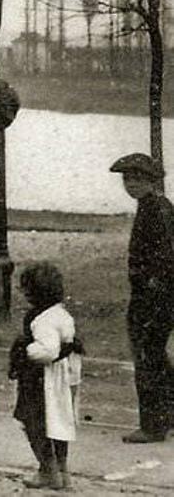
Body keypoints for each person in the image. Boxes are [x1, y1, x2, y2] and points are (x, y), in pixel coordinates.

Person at [111, 152, 174, 443]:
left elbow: (163, 258)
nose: (131, 184)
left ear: (151, 181)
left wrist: (151, 289)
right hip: (157, 295)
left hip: (153, 297)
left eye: (138, 179)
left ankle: (152, 425)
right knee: (157, 357)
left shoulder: (154, 211)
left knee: (148, 359)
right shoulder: (156, 206)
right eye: (127, 179)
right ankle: (167, 417)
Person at [8, 261, 83, 490]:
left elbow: (48, 351)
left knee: (33, 422)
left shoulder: (41, 320)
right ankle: (62, 469)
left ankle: (46, 469)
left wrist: (27, 349)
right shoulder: (62, 314)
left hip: (43, 379)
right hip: (65, 377)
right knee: (60, 422)